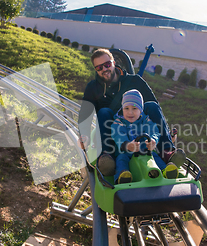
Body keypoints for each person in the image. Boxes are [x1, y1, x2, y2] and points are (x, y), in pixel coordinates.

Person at [78, 48, 185, 176]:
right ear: (96, 70)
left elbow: (154, 106)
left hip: (139, 123)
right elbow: (85, 113)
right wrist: (84, 136)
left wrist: (166, 132)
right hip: (115, 128)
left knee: (151, 105)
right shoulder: (93, 87)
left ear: (113, 62)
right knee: (103, 111)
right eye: (99, 68)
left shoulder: (134, 81)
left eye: (107, 64)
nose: (104, 69)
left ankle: (167, 151)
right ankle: (107, 158)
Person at [111, 89, 178, 184]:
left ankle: (165, 171)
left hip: (145, 151)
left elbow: (153, 130)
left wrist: (153, 140)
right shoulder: (119, 122)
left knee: (155, 156)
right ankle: (122, 176)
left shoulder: (146, 120)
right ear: (122, 109)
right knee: (121, 159)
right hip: (127, 152)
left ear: (141, 109)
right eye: (126, 108)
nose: (130, 112)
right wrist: (127, 145)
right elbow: (118, 135)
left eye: (134, 108)